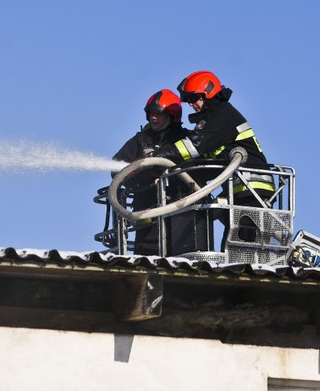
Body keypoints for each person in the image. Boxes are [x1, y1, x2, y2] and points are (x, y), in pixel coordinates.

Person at [152, 70, 275, 243]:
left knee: (246, 249)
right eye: (188, 101)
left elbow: (192, 146)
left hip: (252, 189)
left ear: (207, 92)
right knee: (233, 246)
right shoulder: (215, 117)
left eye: (193, 99)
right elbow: (207, 161)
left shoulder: (222, 116)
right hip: (240, 190)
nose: (191, 104)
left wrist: (156, 158)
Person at [112, 89, 188, 255]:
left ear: (171, 115)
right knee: (146, 260)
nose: (153, 117)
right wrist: (137, 172)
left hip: (179, 209)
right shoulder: (141, 140)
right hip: (147, 210)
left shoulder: (184, 139)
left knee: (181, 258)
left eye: (158, 114)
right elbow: (116, 166)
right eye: (150, 113)